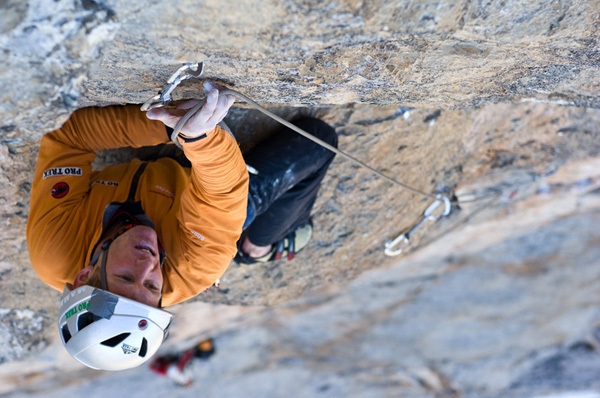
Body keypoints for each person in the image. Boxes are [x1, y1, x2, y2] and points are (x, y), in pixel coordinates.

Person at [26, 81, 337, 370]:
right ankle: (257, 248)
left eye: (125, 276)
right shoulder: (194, 268)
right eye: (151, 286)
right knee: (317, 141)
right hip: (206, 208)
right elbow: (222, 192)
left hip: (169, 186)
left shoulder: (55, 249)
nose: (147, 266)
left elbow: (67, 139)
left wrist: (165, 125)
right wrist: (199, 136)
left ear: (83, 276)